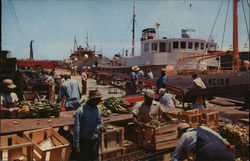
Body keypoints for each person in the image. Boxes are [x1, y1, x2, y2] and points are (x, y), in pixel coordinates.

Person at [170, 123, 235, 161]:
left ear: (181, 133)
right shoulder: (204, 128)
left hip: (206, 154)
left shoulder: (185, 135)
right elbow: (227, 143)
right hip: (225, 152)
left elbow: (175, 157)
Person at [73, 90, 105, 161]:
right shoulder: (80, 111)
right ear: (91, 99)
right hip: (84, 141)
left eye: (99, 100)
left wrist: (101, 127)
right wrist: (76, 145)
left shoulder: (98, 110)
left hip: (95, 140)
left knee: (94, 158)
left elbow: (99, 122)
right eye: (97, 100)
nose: (98, 102)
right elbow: (76, 129)